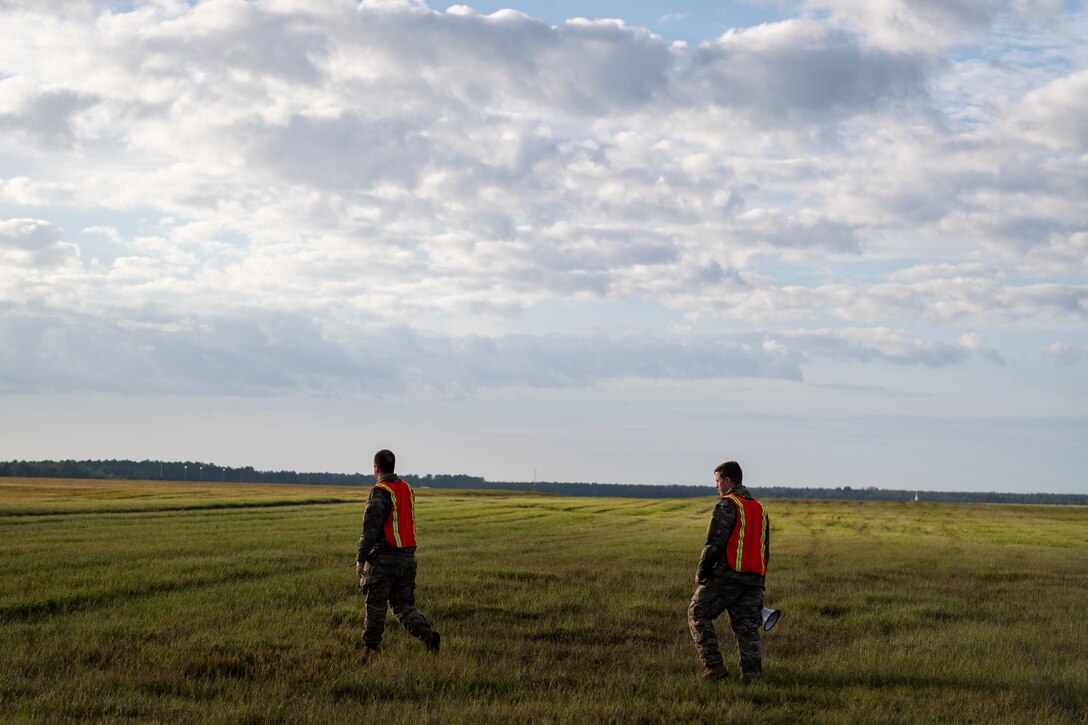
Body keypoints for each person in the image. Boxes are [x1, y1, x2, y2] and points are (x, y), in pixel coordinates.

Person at [687, 460, 770, 683]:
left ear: (727, 480)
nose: (715, 486)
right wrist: (761, 584)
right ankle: (753, 679)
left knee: (697, 612)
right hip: (753, 579)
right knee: (747, 630)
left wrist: (702, 572)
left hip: (728, 575)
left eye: (716, 481)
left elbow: (714, 543)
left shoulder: (727, 504)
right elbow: (765, 550)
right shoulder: (760, 508)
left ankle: (714, 666)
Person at [356, 449, 440, 656]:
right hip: (407, 559)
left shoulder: (380, 491)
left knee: (375, 607)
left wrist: (361, 558)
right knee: (403, 605)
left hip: (384, 559)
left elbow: (370, 530)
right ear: (393, 466)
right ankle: (426, 634)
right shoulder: (406, 489)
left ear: (376, 468)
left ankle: (370, 650)